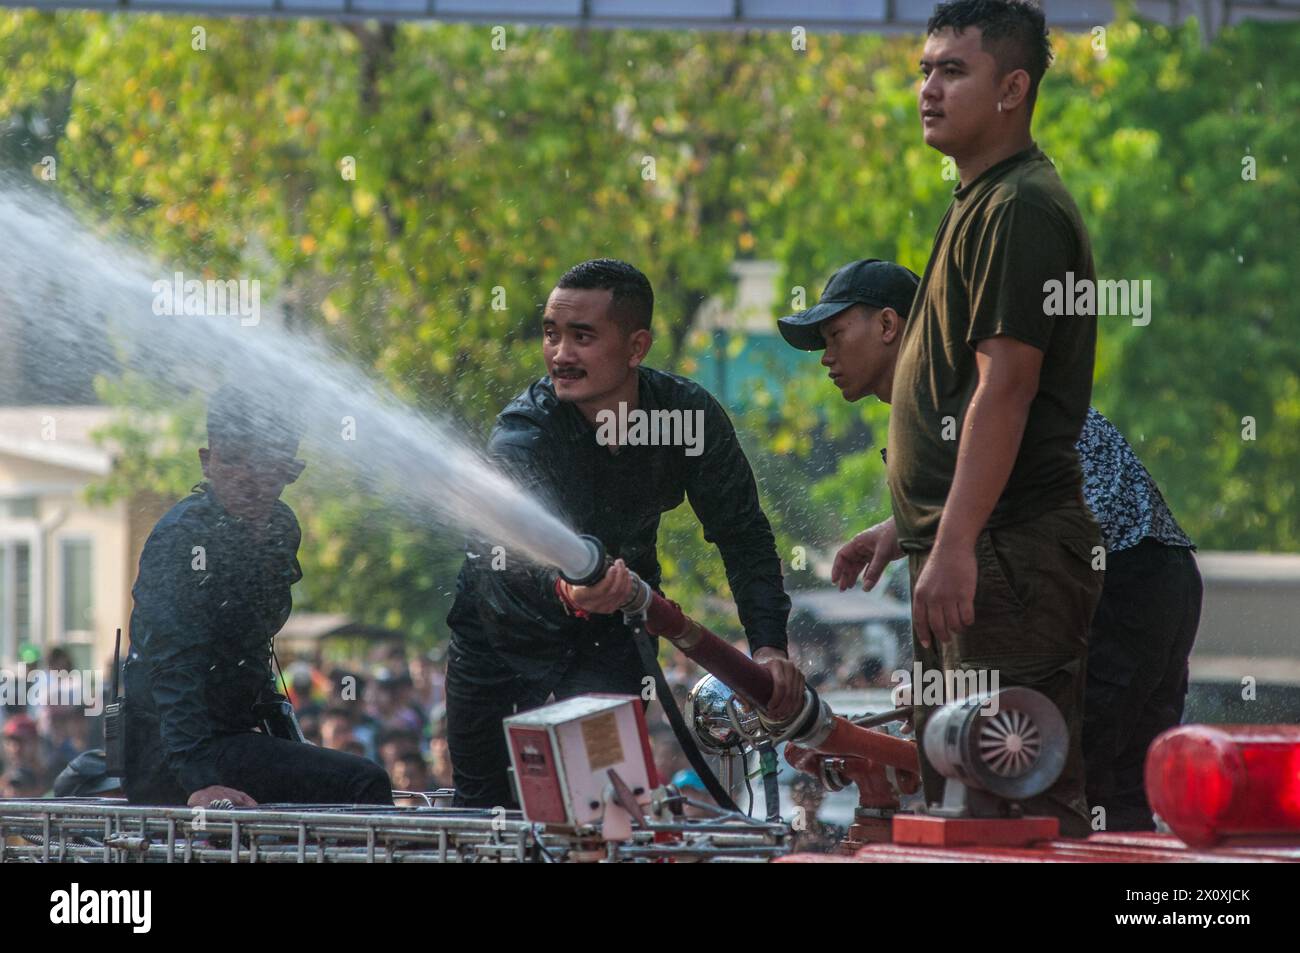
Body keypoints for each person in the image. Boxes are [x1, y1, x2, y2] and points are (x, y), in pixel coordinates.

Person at [781, 258, 1201, 833]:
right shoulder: (946, 386)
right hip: (1156, 572)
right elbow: (990, 485)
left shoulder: (946, 384)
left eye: (834, 336)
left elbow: (1001, 492)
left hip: (1113, 584)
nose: (826, 357)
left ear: (887, 325)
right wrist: (897, 531)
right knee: (1111, 796)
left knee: (1052, 786)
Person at [445, 258, 803, 808]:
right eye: (550, 334)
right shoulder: (523, 435)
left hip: (610, 634)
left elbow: (744, 535)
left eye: (582, 337)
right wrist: (565, 591)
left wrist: (769, 645)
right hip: (500, 637)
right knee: (490, 821)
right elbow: (499, 554)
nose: (560, 355)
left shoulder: (686, 419)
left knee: (605, 811)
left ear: (636, 347)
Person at [121, 386, 392, 808]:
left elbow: (250, 647)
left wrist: (285, 735)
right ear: (207, 462)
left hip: (232, 740)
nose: (248, 476)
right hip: (173, 753)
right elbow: (174, 665)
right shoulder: (184, 537)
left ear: (291, 469)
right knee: (364, 783)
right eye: (232, 459)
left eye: (265, 461)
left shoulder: (281, 528)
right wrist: (199, 781)